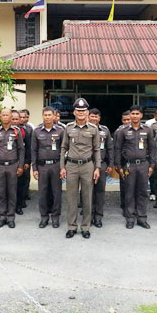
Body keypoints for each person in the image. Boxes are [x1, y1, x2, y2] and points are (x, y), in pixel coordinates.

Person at [61, 98, 101, 239]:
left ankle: (85, 227)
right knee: (71, 198)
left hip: (87, 166)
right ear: (74, 112)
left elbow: (97, 150)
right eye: (78, 110)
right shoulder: (68, 127)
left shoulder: (94, 129)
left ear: (87, 113)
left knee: (87, 197)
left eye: (83, 111)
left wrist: (97, 168)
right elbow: (63, 148)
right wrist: (62, 167)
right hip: (71, 165)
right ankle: (72, 226)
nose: (81, 113)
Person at [114, 105, 157, 229]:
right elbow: (117, 149)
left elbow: (152, 148)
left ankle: (142, 217)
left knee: (142, 192)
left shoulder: (148, 130)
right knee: (129, 192)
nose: (134, 116)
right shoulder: (123, 131)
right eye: (132, 114)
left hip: (144, 165)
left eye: (137, 114)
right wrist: (118, 166)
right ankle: (130, 218)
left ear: (141, 116)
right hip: (129, 166)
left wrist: (152, 165)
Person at [0, 108, 25, 229]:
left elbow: (21, 149)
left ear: (11, 117)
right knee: (1, 192)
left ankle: (10, 217)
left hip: (13, 166)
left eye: (7, 115)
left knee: (12, 192)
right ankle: (2, 216)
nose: (5, 117)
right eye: (3, 115)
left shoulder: (16, 132)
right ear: (0, 117)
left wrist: (20, 166)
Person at [31, 106, 65, 228]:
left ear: (54, 116)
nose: (47, 117)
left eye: (49, 115)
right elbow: (33, 151)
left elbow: (64, 149)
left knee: (56, 192)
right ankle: (44, 217)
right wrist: (34, 168)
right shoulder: (37, 131)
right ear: (43, 116)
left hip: (56, 165)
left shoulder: (61, 131)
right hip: (42, 166)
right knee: (43, 193)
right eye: (45, 115)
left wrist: (63, 167)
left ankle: (55, 217)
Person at [87, 108, 114, 228]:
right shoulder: (84, 129)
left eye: (96, 117)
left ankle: (98, 217)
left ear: (99, 118)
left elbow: (110, 148)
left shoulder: (105, 130)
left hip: (102, 165)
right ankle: (88, 216)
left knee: (100, 191)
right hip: (87, 164)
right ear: (88, 117)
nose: (93, 118)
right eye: (92, 116)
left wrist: (111, 164)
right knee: (87, 192)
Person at [12, 109, 32, 214]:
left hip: (21, 162)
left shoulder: (24, 131)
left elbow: (28, 148)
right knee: (10, 187)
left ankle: (19, 205)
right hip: (8, 162)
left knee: (20, 186)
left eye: (17, 119)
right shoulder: (2, 130)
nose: (15, 121)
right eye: (13, 119)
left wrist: (27, 162)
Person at [115, 111, 131, 215]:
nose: (126, 122)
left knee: (134, 185)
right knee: (124, 183)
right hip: (123, 161)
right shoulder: (118, 131)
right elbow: (116, 148)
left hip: (135, 162)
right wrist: (117, 164)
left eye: (128, 119)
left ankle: (133, 205)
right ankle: (124, 204)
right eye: (124, 120)